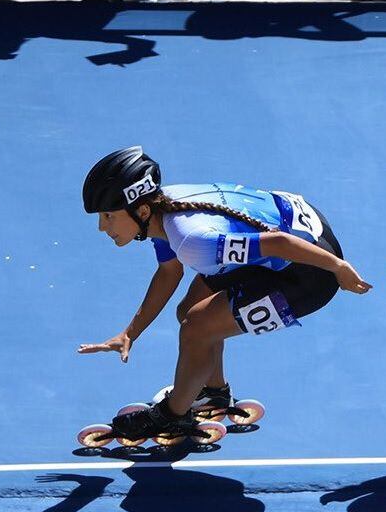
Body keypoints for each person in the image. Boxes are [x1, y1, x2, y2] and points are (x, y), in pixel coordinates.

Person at [78, 146, 371, 442]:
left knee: (197, 327)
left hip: (311, 271)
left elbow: (279, 243)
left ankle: (173, 416)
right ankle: (213, 393)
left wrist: (338, 268)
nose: (102, 227)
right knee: (189, 311)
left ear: (141, 211)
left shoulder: (192, 239)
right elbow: (169, 272)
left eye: (107, 216)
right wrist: (131, 333)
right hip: (299, 227)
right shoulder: (162, 208)